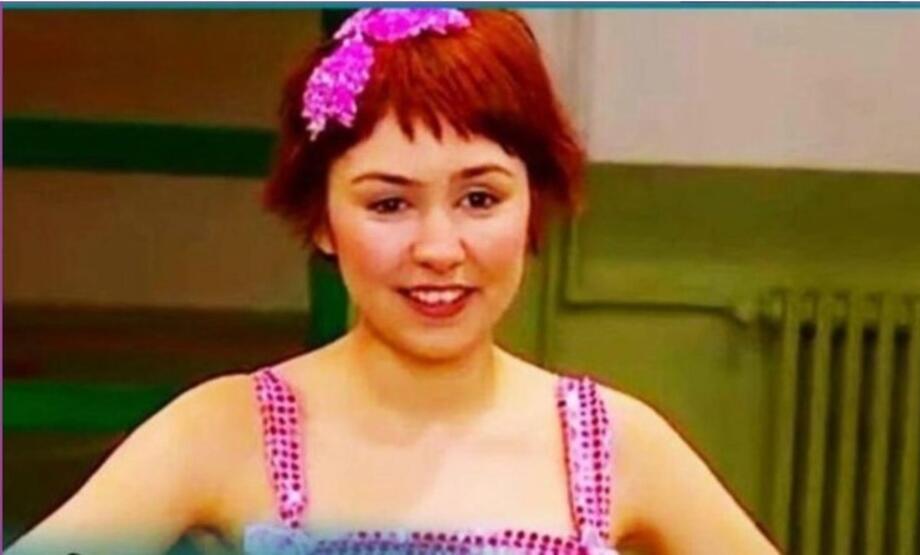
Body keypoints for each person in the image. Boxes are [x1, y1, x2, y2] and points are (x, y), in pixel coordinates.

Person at [8, 9, 779, 555]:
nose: (439, 248)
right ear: (321, 218)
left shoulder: (607, 440)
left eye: (480, 198)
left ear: (532, 204)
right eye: (388, 204)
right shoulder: (224, 427)